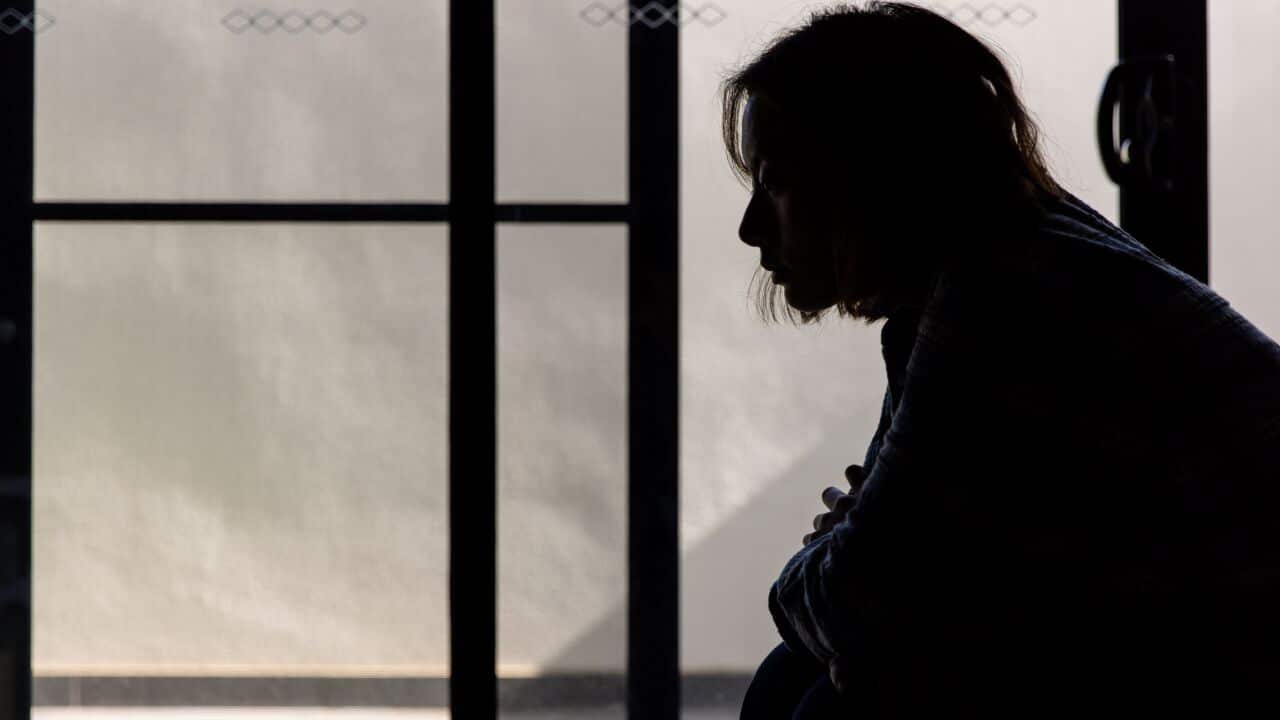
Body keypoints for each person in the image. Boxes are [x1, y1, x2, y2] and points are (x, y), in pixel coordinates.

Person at [725, 3, 1280, 718]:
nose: (749, 228)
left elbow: (858, 600)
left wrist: (823, 565)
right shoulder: (1015, 252)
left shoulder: (1004, 296)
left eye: (775, 183)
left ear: (870, 174)